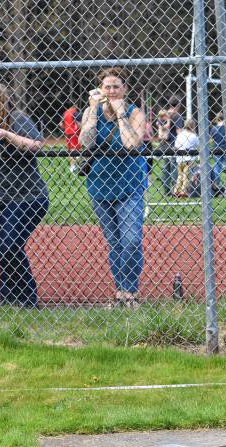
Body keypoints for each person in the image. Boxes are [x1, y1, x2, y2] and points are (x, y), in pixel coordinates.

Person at [79, 67, 147, 308]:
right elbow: (85, 143)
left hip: (130, 185)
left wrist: (120, 116)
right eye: (106, 87)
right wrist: (94, 111)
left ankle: (130, 292)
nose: (111, 91)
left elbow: (131, 144)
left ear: (124, 89)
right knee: (114, 243)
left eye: (116, 86)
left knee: (130, 240)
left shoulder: (134, 113)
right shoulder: (91, 111)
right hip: (99, 186)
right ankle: (121, 294)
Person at [0, 83, 47, 307]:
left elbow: (36, 145)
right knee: (4, 246)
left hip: (28, 196)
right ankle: (9, 297)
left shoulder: (17, 119)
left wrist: (5, 134)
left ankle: (28, 298)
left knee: (10, 244)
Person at [158, 97, 184, 195]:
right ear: (178, 105)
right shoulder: (177, 116)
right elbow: (179, 131)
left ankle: (166, 191)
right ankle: (174, 189)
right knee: (174, 168)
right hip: (174, 145)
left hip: (164, 144)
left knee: (165, 168)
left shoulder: (163, 115)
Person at [173, 119, 199, 198]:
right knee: (186, 176)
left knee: (180, 176)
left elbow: (176, 146)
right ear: (193, 126)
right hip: (188, 159)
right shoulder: (193, 136)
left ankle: (176, 190)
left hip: (179, 158)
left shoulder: (180, 134)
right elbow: (198, 144)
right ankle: (183, 191)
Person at [62, 103, 82, 173]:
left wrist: (66, 128)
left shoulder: (65, 113)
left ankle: (73, 166)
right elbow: (79, 124)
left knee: (71, 150)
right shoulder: (75, 113)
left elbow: (61, 124)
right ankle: (73, 166)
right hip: (75, 133)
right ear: (75, 106)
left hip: (67, 133)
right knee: (76, 150)